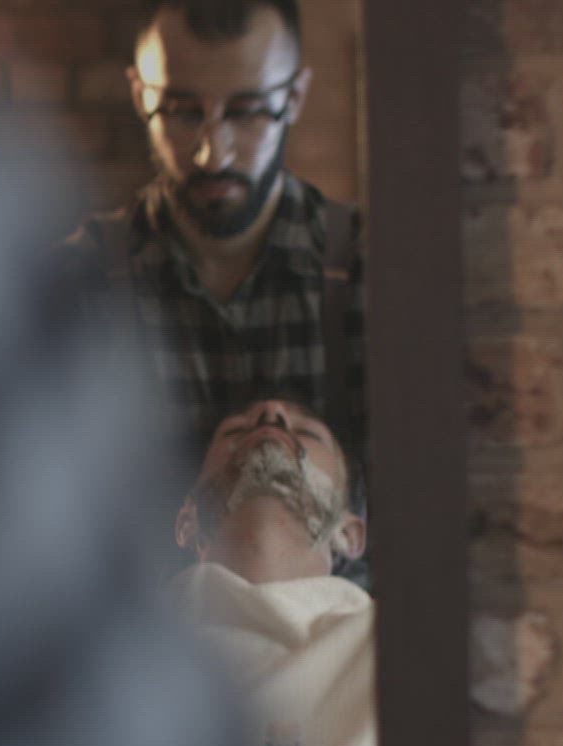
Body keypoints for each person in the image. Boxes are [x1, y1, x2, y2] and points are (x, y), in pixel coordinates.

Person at [64, 0, 365, 465]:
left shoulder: (365, 265)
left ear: (294, 97)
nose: (213, 155)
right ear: (140, 95)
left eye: (247, 112)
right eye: (182, 111)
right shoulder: (82, 281)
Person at [172, 398, 374, 746]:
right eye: (235, 431)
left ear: (349, 534)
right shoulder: (104, 653)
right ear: (187, 522)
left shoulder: (408, 654)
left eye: (307, 433)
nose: (272, 415)